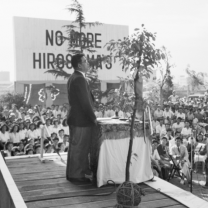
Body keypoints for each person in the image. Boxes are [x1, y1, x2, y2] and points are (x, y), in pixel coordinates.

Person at [66, 53, 97, 182]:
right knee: (79, 147)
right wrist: (93, 118)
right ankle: (76, 174)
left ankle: (79, 172)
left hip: (78, 119)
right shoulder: (79, 78)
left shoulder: (75, 77)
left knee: (79, 147)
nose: (88, 63)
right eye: (85, 61)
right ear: (79, 64)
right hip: (81, 120)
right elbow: (85, 102)